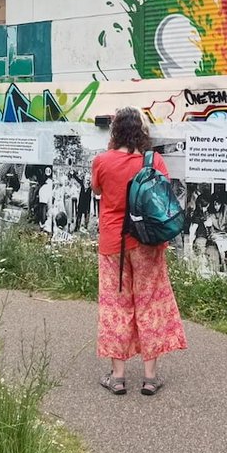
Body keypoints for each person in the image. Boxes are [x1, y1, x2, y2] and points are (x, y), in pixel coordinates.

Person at [91, 107, 187, 396]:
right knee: (150, 303)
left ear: (115, 131)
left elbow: (97, 190)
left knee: (115, 306)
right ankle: (149, 377)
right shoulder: (154, 160)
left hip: (112, 244)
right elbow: (166, 195)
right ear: (142, 131)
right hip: (147, 243)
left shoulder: (102, 161)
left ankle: (118, 377)